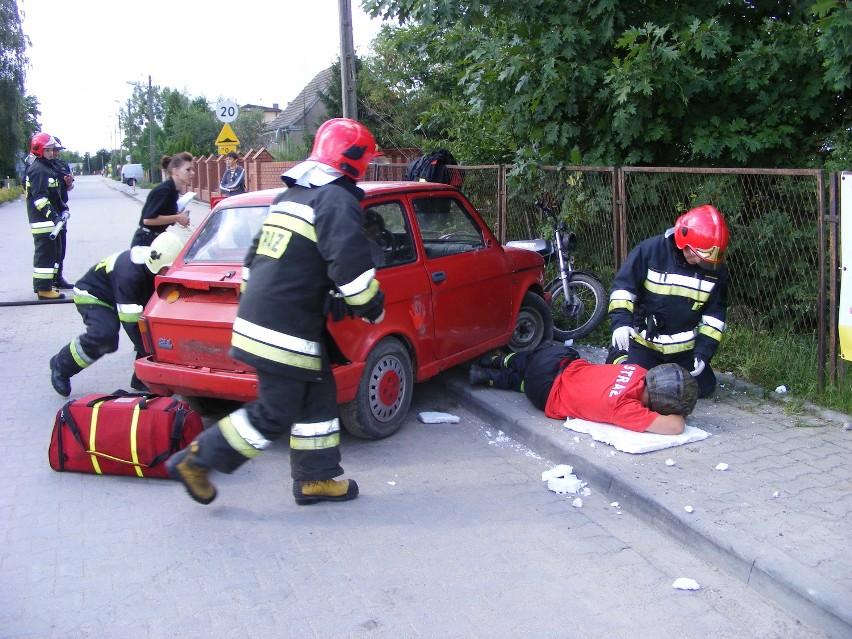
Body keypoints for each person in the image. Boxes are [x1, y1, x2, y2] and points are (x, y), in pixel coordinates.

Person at [166, 118, 385, 507]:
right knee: (274, 411)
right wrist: (369, 305)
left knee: (318, 395)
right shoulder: (336, 200)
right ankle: (197, 461)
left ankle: (317, 478)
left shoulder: (293, 197)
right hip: (285, 330)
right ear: (354, 161)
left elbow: (259, 262)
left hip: (271, 320)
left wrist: (309, 295)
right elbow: (350, 269)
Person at [606, 205, 730, 398]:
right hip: (645, 343)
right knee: (632, 383)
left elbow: (714, 317)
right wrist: (621, 323)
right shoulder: (650, 251)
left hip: (683, 351)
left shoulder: (715, 271)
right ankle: (619, 355)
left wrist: (703, 353)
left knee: (703, 388)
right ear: (683, 241)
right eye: (696, 255)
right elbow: (623, 290)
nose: (700, 262)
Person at [48, 233, 186, 398]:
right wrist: (155, 358)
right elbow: (132, 325)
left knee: (151, 334)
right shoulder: (131, 275)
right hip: (94, 295)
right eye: (172, 268)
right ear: (160, 265)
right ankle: (61, 365)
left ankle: (141, 378)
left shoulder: (154, 264)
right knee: (105, 337)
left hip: (119, 294)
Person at [469, 343, 699, 435]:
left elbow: (618, 359)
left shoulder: (638, 370)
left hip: (555, 361)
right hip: (542, 392)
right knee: (524, 384)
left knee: (528, 360)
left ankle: (497, 360)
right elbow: (676, 426)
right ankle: (487, 377)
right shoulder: (626, 408)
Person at [25, 133, 67, 300]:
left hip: (51, 221)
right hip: (43, 222)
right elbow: (40, 199)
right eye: (47, 150)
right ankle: (43, 289)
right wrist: (54, 216)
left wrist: (62, 208)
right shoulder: (39, 169)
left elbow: (53, 194)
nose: (51, 153)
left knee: (54, 253)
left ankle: (49, 285)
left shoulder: (46, 167)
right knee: (45, 255)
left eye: (51, 150)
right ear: (39, 150)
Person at [130, 153, 194, 247]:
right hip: (145, 242)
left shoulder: (173, 190)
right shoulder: (164, 190)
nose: (193, 173)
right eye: (188, 170)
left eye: (192, 169)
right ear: (175, 171)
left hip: (155, 240)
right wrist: (178, 217)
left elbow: (162, 215)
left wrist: (178, 215)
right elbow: (148, 220)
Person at [51, 138, 75, 290]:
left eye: (58, 150)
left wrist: (68, 183)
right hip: (48, 209)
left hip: (61, 208)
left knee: (61, 246)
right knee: (50, 247)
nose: (56, 152)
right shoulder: (41, 166)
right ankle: (48, 280)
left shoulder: (62, 165)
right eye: (54, 149)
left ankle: (58, 277)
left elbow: (70, 187)